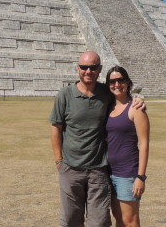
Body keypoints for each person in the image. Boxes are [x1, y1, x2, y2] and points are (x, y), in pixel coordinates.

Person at [49, 51, 143, 227]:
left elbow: (123, 98)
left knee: (99, 222)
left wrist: (138, 99)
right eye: (84, 67)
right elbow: (56, 128)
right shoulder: (65, 95)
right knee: (70, 220)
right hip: (70, 168)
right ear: (77, 68)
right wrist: (58, 161)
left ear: (99, 69)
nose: (88, 71)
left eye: (93, 67)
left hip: (99, 169)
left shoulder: (105, 93)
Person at [105, 66, 150, 227]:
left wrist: (140, 177)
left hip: (127, 173)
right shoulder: (107, 107)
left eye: (120, 80)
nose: (116, 84)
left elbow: (144, 144)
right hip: (108, 172)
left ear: (128, 83)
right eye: (112, 81)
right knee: (118, 218)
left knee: (130, 221)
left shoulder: (136, 109)